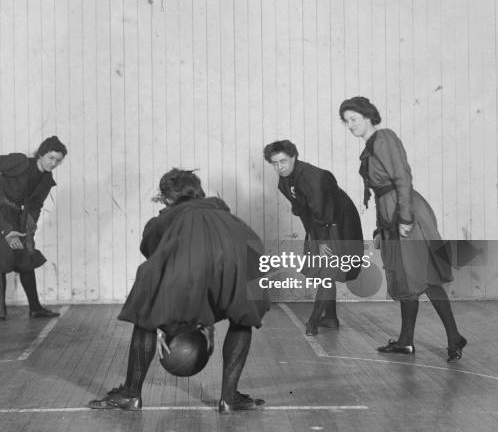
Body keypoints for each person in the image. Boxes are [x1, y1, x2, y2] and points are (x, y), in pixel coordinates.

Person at [88, 169, 270, 413]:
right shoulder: (222, 212)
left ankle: (130, 395)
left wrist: (161, 325)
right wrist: (208, 320)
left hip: (194, 266)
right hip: (245, 256)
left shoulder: (163, 221)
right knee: (242, 319)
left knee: (145, 315)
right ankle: (229, 399)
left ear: (167, 198)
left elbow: (159, 261)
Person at [339, 96, 466, 362]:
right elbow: (378, 192)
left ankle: (449, 337)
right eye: (346, 121)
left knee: (421, 276)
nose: (349, 125)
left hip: (406, 214)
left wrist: (406, 219)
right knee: (414, 278)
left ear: (368, 116)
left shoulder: (384, 138)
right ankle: (410, 341)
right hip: (391, 215)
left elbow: (402, 179)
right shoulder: (370, 146)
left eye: (354, 119)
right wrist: (379, 228)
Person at [263, 140, 364, 336]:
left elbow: (322, 210)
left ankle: (313, 321)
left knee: (328, 272)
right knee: (324, 271)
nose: (279, 167)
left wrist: (324, 240)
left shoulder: (311, 177)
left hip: (338, 222)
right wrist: (311, 235)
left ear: (293, 157)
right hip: (319, 225)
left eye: (283, 161)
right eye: (274, 163)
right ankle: (331, 318)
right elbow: (303, 212)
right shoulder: (284, 182)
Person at [0, 136, 67, 319]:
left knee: (25, 257)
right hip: (1, 213)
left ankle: (35, 308)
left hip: (19, 218)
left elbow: (36, 205)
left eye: (58, 160)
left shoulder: (46, 178)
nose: (53, 163)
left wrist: (29, 229)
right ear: (41, 154)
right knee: (2, 257)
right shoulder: (20, 162)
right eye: (50, 158)